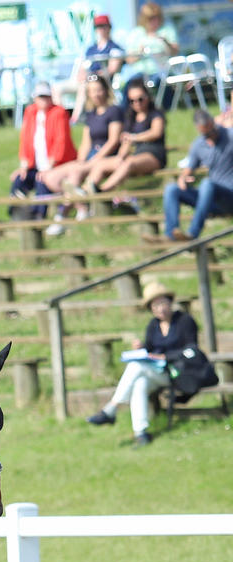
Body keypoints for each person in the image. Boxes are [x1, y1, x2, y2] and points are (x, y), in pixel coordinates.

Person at [86, 280, 198, 445]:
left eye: (162, 303)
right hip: (156, 372)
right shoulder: (153, 325)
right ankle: (141, 433)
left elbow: (192, 350)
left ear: (169, 302)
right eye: (155, 305)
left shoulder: (185, 321)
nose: (160, 308)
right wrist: (141, 348)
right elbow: (151, 348)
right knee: (139, 383)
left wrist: (165, 357)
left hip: (178, 372)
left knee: (136, 367)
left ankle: (111, 408)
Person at [43, 73, 123, 233]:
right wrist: (81, 160)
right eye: (92, 91)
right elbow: (87, 142)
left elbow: (113, 141)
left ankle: (64, 215)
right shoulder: (91, 115)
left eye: (98, 90)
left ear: (106, 91)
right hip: (90, 157)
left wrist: (94, 160)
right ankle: (81, 206)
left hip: (106, 157)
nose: (96, 94)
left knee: (74, 174)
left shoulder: (114, 111)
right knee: (51, 177)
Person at [150, 110, 233, 243]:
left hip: (229, 196)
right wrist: (183, 179)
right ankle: (171, 234)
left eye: (210, 131)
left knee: (207, 184)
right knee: (172, 189)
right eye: (204, 134)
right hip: (211, 198)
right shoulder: (199, 144)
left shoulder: (230, 135)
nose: (208, 136)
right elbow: (188, 169)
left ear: (213, 122)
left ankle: (193, 234)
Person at [8, 82, 76, 227]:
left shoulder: (59, 113)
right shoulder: (31, 113)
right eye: (40, 97)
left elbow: (61, 141)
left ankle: (38, 216)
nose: (44, 100)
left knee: (42, 180)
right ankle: (15, 215)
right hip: (36, 165)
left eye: (46, 96)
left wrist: (49, 167)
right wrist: (24, 166)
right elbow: (26, 140)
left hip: (56, 166)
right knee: (19, 180)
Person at [83, 78, 166, 194]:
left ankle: (102, 190)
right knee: (101, 164)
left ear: (147, 97)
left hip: (153, 155)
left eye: (140, 99)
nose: (137, 103)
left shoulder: (155, 114)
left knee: (129, 163)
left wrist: (135, 137)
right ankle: (85, 190)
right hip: (135, 156)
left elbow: (156, 133)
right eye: (132, 101)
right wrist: (120, 156)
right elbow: (125, 142)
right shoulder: (130, 119)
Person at [54, 14, 125, 123]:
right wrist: (82, 75)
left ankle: (74, 119)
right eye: (98, 27)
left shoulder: (114, 48)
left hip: (102, 82)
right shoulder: (91, 49)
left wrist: (93, 76)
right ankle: (61, 118)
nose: (100, 29)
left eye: (103, 26)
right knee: (56, 87)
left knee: (84, 87)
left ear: (109, 27)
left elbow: (112, 69)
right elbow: (83, 66)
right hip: (86, 79)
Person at [122, 2, 179, 95]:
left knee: (162, 84)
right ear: (144, 19)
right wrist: (140, 53)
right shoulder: (136, 33)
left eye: (157, 17)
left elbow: (175, 52)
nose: (154, 21)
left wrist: (166, 42)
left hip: (163, 71)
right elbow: (128, 59)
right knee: (132, 85)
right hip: (141, 72)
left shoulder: (167, 29)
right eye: (151, 18)